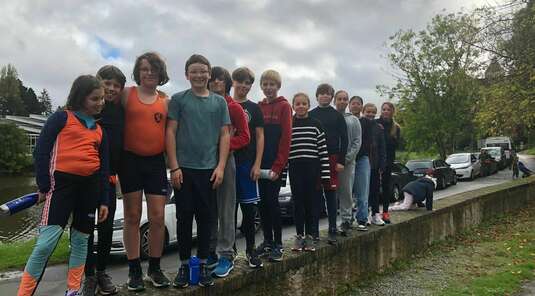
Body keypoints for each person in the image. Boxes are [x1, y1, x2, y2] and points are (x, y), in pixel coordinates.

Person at [18, 75, 109, 296]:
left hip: (90, 189)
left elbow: (104, 167)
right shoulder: (61, 118)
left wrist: (105, 199)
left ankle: (73, 291)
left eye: (102, 99)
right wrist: (43, 184)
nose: (100, 103)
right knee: (45, 245)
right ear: (80, 98)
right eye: (94, 99)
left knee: (80, 242)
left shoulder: (99, 130)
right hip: (61, 187)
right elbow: (41, 151)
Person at [166, 54, 231, 288]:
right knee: (184, 218)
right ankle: (184, 266)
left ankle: (202, 264)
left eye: (203, 71)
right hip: (183, 170)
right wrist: (174, 166)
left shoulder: (219, 102)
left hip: (209, 170)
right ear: (187, 75)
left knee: (206, 219)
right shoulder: (178, 100)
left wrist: (221, 166)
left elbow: (225, 135)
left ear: (209, 74)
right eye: (194, 71)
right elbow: (170, 132)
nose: (199, 75)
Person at [119, 52, 171, 291]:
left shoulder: (165, 100)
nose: (149, 73)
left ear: (161, 73)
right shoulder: (126, 94)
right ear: (138, 72)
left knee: (158, 217)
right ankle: (134, 271)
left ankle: (155, 268)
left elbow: (172, 134)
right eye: (144, 69)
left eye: (153, 69)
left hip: (155, 163)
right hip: (129, 161)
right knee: (132, 215)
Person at [81, 66, 126, 296]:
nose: (111, 89)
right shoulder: (87, 109)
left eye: (116, 85)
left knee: (106, 229)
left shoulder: (121, 111)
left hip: (108, 180)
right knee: (84, 229)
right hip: (85, 180)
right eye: (107, 83)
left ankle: (101, 272)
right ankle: (87, 275)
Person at [207, 66, 250, 278]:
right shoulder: (203, 104)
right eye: (213, 80)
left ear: (227, 84)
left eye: (220, 80)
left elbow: (245, 136)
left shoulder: (234, 108)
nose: (216, 83)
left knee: (226, 208)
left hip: (227, 160)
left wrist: (223, 145)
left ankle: (226, 254)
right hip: (202, 161)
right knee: (207, 209)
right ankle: (210, 253)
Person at [256, 69, 292, 262]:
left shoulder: (284, 107)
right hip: (259, 164)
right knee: (261, 204)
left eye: (272, 84)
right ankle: (267, 240)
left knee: (272, 202)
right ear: (261, 86)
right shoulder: (258, 107)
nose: (269, 88)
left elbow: (286, 139)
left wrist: (278, 166)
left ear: (278, 86)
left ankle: (278, 244)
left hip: (275, 165)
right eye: (265, 84)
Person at [231, 67, 265, 268]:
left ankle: (251, 250)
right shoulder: (224, 104)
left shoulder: (254, 108)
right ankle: (230, 250)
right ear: (233, 82)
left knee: (249, 210)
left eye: (247, 83)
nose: (243, 86)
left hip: (247, 164)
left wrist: (258, 164)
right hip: (227, 163)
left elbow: (260, 137)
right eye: (240, 81)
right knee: (229, 210)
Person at [289, 92, 330, 252]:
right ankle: (299, 236)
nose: (300, 106)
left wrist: (325, 175)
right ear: (293, 106)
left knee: (312, 203)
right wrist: (284, 174)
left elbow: (323, 152)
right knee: (298, 203)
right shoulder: (289, 124)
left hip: (312, 168)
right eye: (297, 104)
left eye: (304, 103)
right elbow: (285, 151)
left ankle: (311, 236)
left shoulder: (316, 124)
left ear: (308, 105)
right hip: (295, 167)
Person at [309, 83, 348, 244]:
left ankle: (332, 228)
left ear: (331, 98)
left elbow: (344, 139)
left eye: (327, 94)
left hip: (332, 157)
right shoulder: (311, 114)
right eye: (321, 93)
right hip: (314, 157)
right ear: (317, 96)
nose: (324, 96)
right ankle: (314, 231)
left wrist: (341, 160)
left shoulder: (337, 115)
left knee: (331, 196)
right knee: (316, 196)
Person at [334, 91, 361, 236]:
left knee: (346, 192)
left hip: (347, 162)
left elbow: (357, 142)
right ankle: (332, 221)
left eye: (345, 99)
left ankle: (346, 219)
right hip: (331, 161)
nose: (342, 101)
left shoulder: (353, 120)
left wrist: (346, 158)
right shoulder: (331, 117)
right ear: (334, 100)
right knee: (332, 192)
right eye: (339, 99)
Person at [362, 103, 387, 226]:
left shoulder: (379, 128)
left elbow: (382, 147)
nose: (370, 114)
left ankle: (375, 214)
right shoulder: (360, 125)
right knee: (363, 192)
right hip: (363, 164)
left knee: (375, 191)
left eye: (373, 112)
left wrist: (382, 164)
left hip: (375, 164)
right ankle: (364, 214)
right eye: (368, 112)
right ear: (363, 112)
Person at [350, 96, 372, 231]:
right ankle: (347, 220)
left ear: (361, 106)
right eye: (353, 103)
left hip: (362, 158)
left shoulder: (367, 122)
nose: (355, 106)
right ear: (349, 106)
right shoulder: (345, 120)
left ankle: (362, 219)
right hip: (348, 159)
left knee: (362, 192)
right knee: (347, 193)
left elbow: (368, 141)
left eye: (358, 104)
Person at [376, 102, 401, 224]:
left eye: (388, 109)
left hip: (388, 161)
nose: (385, 111)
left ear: (392, 112)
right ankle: (374, 212)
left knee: (386, 187)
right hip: (375, 160)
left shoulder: (396, 127)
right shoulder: (376, 123)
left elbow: (394, 146)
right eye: (383, 109)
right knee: (374, 188)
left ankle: (385, 212)